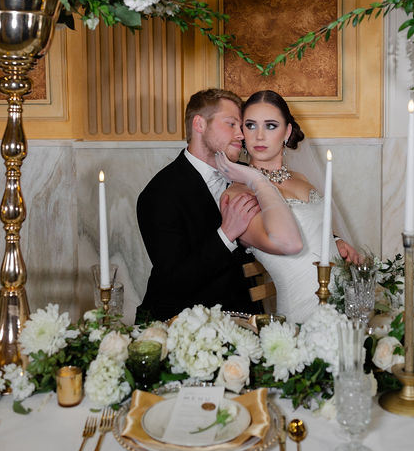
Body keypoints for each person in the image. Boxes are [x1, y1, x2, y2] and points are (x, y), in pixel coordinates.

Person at [135, 89, 302, 322]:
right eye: (232, 124)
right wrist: (226, 234)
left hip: (245, 319)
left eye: (241, 126)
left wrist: (334, 240)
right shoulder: (160, 194)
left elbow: (291, 210)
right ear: (200, 124)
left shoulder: (247, 175)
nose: (242, 135)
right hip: (182, 325)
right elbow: (174, 281)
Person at [215, 90, 361, 324]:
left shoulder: (300, 177)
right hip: (303, 318)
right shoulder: (238, 195)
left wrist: (336, 242)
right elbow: (286, 243)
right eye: (251, 126)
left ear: (288, 131)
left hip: (345, 304)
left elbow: (314, 227)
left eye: (270, 126)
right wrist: (256, 179)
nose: (259, 136)